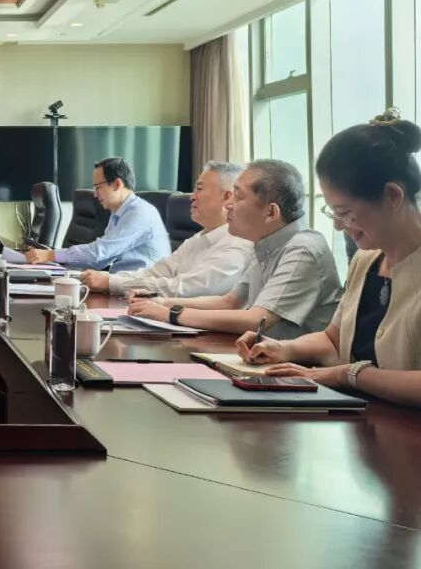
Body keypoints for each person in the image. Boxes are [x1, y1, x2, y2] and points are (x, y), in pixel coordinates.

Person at [238, 110, 421, 405]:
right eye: (332, 212)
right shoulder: (365, 260)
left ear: (393, 196)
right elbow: (334, 340)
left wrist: (348, 375)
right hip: (355, 418)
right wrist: (284, 349)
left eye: (344, 212)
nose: (338, 225)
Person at [130, 159, 340, 338]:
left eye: (238, 197)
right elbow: (230, 302)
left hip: (299, 367)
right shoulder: (265, 242)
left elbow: (257, 320)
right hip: (264, 357)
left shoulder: (302, 249)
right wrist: (162, 302)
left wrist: (171, 314)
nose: (228, 205)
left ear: (271, 213)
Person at [81, 161, 252, 297]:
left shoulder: (237, 244)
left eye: (199, 189)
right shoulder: (198, 239)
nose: (192, 197)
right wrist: (110, 279)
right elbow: (157, 272)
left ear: (227, 197)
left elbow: (186, 288)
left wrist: (113, 283)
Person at [25, 157, 170, 271]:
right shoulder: (117, 214)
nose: (95, 194)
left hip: (143, 291)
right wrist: (54, 261)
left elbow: (101, 251)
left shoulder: (139, 212)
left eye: (98, 187)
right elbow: (100, 261)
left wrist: (53, 255)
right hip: (123, 285)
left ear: (117, 184)